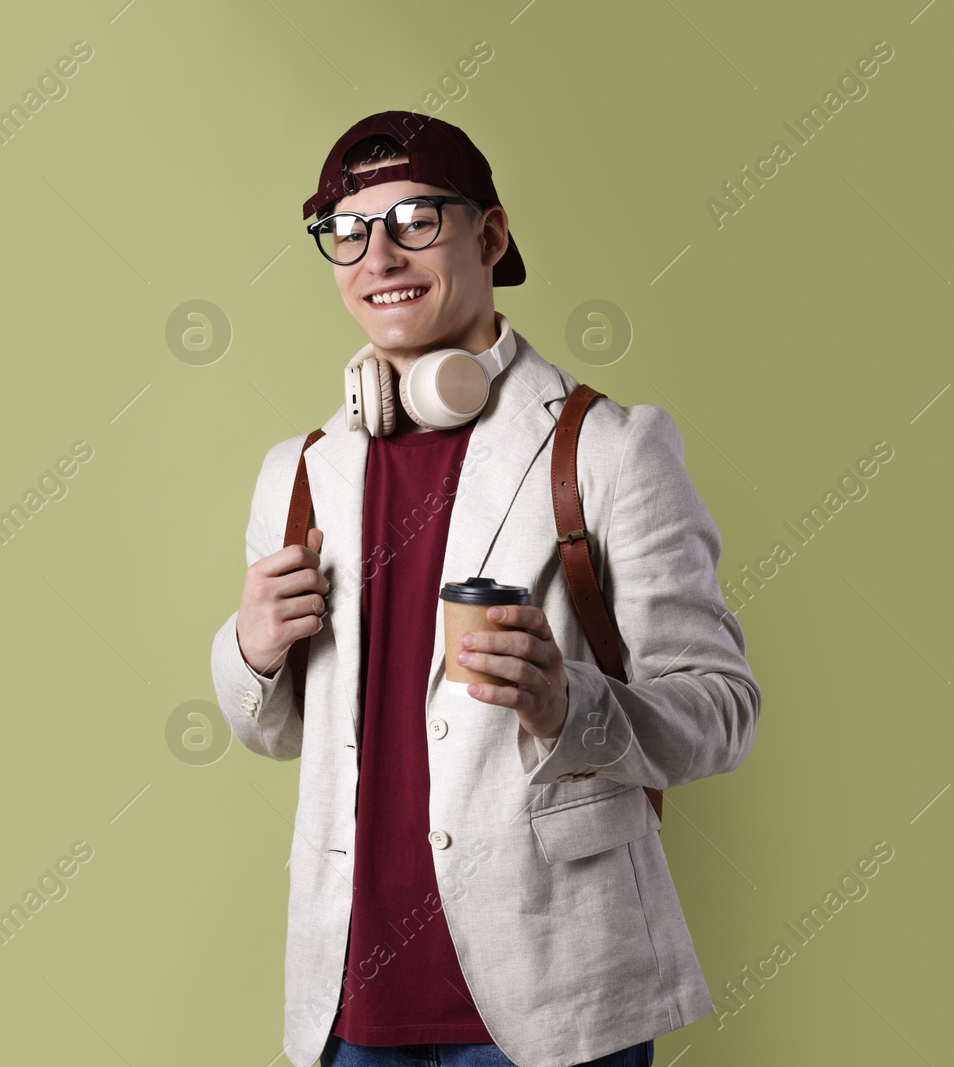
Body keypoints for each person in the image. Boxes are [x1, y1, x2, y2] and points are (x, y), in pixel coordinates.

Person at [210, 111, 761, 1067]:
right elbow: (277, 729)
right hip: (347, 1007)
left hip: (554, 1005)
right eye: (349, 230)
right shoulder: (297, 473)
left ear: (491, 236)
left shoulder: (606, 450)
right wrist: (249, 650)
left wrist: (568, 704)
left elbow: (723, 710)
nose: (379, 254)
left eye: (416, 219)